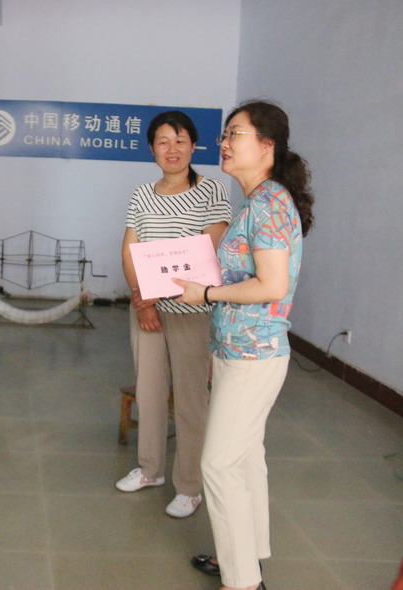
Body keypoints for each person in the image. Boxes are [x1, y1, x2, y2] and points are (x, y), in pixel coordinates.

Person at [174, 100, 314, 590]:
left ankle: (244, 583)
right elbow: (247, 273)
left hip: (255, 354)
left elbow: (272, 284)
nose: (225, 144)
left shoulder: (270, 203)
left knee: (218, 464)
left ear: (268, 145)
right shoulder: (258, 202)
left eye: (235, 134)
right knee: (246, 457)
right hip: (238, 350)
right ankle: (247, 557)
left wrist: (207, 293)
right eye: (225, 135)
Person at [116, 110, 231, 518]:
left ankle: (189, 486)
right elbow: (130, 250)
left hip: (191, 311)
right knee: (148, 393)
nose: (172, 149)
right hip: (146, 310)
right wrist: (143, 300)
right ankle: (150, 470)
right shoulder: (142, 195)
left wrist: (153, 292)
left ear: (194, 146)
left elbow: (207, 250)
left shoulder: (212, 191)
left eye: (181, 141)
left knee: (190, 398)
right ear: (152, 148)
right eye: (163, 141)